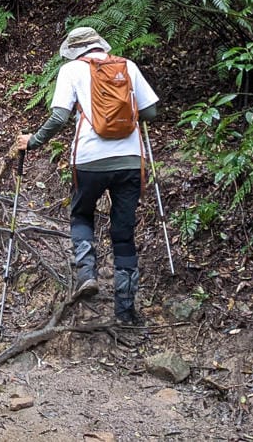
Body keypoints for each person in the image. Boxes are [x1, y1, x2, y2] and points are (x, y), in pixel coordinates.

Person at [13, 26, 159, 324]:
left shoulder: (71, 70)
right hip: (130, 160)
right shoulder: (127, 66)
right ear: (99, 46)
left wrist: (34, 141)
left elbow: (59, 117)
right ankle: (126, 311)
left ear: (75, 49)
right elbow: (151, 112)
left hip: (89, 159)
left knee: (81, 214)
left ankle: (87, 274)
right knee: (123, 232)